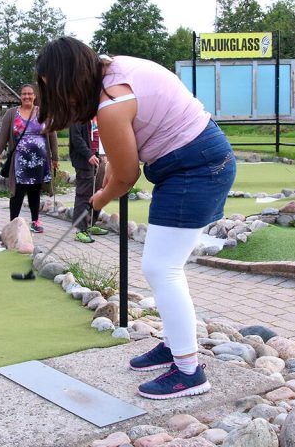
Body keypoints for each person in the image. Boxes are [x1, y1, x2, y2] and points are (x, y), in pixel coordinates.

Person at [36, 37, 236, 400]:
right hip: (194, 160)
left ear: (67, 78)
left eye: (55, 87)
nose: (60, 98)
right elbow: (119, 161)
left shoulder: (112, 103)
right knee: (163, 266)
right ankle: (176, 347)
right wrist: (106, 187)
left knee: (162, 268)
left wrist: (99, 199)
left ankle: (189, 372)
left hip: (197, 166)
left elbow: (128, 177)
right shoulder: (114, 70)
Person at [0, 84, 58, 233]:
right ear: (20, 96)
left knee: (35, 192)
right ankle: (13, 224)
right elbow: (3, 135)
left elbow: (52, 136)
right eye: (23, 94)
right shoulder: (11, 113)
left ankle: (35, 222)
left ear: (34, 96)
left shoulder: (44, 113)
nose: (27, 97)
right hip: (19, 162)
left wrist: (55, 157)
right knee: (17, 193)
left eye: (30, 94)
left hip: (39, 161)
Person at [69, 118, 109, 243]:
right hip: (85, 160)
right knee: (84, 194)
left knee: (98, 190)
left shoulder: (99, 112)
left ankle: (91, 223)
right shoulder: (78, 113)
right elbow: (76, 138)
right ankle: (80, 230)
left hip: (100, 157)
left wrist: (105, 153)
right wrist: (88, 155)